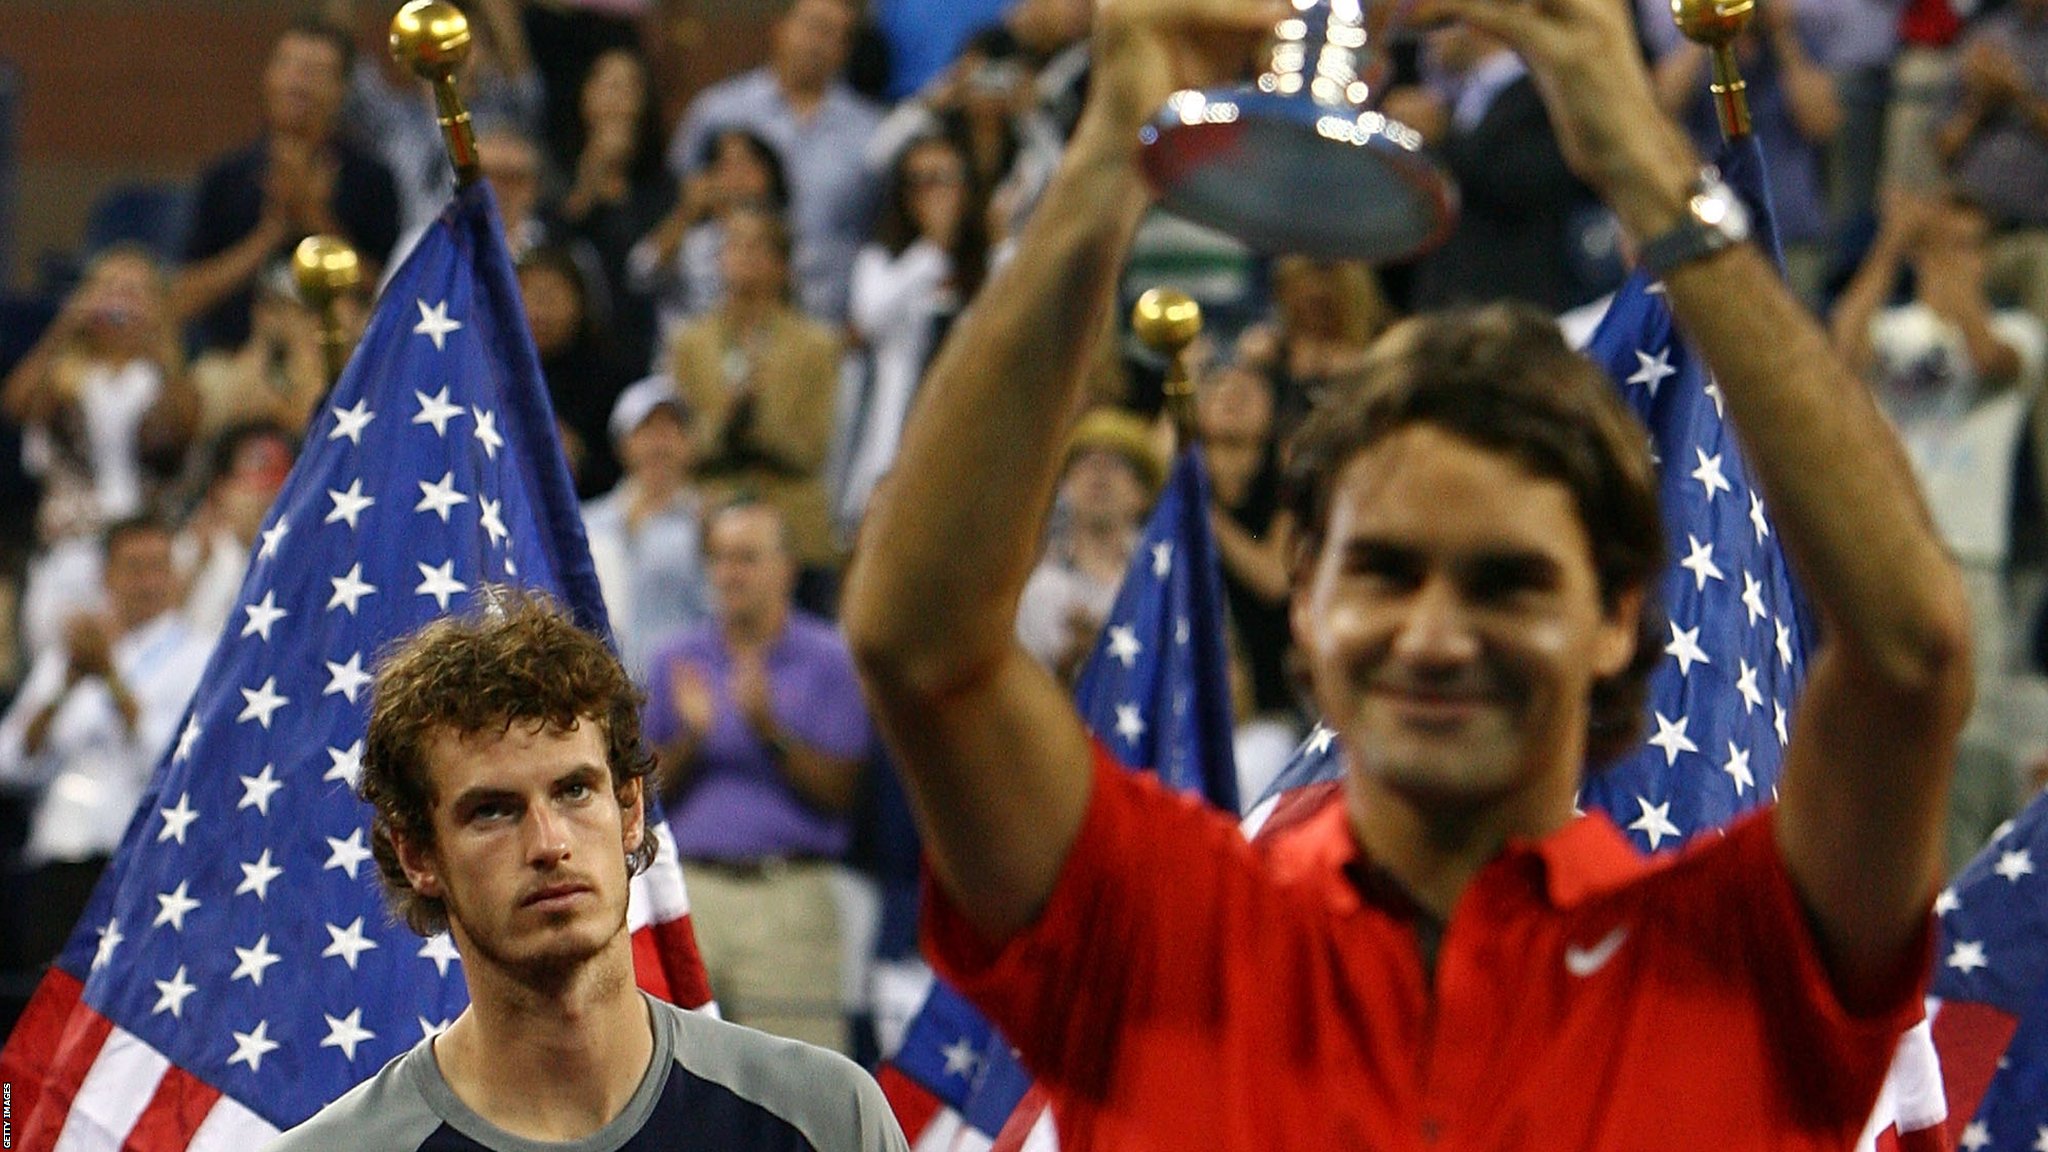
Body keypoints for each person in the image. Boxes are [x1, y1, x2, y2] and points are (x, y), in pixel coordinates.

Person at [839, 0, 1972, 1145]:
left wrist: (1640, 159)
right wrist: (1105, 160)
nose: (1436, 632)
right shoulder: (1167, 938)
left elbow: (1908, 653)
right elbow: (917, 644)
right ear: (1305, 601)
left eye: (1507, 582)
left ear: (1619, 616)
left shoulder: (1736, 967)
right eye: (1383, 571)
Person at [267, 593, 905, 1151]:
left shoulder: (823, 1120)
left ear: (630, 810)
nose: (548, 844)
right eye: (492, 811)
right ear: (418, 856)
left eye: (575, 791)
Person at [643, 501, 869, 1054]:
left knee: (801, 1085)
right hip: (688, 890)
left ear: (786, 569)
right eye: (719, 559)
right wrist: (692, 739)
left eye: (746, 558)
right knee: (673, 1074)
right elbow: (637, 795)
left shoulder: (829, 660)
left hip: (788, 894)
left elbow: (842, 794)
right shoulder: (676, 658)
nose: (729, 573)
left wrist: (770, 730)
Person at [0, 516, 212, 971]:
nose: (147, 582)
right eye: (134, 568)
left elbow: (178, 762)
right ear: (107, 577)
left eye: (158, 567)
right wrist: (65, 688)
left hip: (140, 867)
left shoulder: (200, 657)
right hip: (58, 861)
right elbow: (10, 762)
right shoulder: (69, 655)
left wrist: (112, 681)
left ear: (175, 575)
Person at [174, 17, 400, 354]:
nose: (298, 83)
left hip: (340, 359)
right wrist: (270, 233)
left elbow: (389, 293)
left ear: (342, 89)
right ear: (267, 77)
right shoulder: (225, 177)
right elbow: (182, 298)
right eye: (288, 65)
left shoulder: (371, 180)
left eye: (316, 71)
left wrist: (313, 218)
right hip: (235, 358)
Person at [666, 0, 883, 323]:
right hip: (723, 319)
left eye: (837, 36)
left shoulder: (870, 131)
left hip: (827, 326)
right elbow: (678, 194)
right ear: (779, 27)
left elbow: (880, 229)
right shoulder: (719, 111)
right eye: (813, 27)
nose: (819, 44)